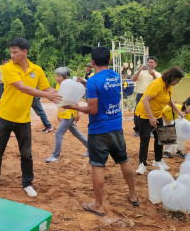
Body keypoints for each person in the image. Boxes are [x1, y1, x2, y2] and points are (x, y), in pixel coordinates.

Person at [0, 38, 61, 198]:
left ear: (25, 52)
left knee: (26, 153)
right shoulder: (8, 68)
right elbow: (22, 87)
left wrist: (62, 93)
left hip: (23, 119)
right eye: (11, 52)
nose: (12, 55)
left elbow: (47, 88)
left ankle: (27, 183)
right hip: (4, 116)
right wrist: (46, 95)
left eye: (15, 52)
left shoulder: (37, 70)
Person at [66, 46, 138, 216]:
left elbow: (92, 109)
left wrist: (72, 106)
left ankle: (98, 205)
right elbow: (104, 87)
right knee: (123, 160)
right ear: (110, 61)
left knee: (97, 166)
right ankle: (133, 196)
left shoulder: (93, 81)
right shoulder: (115, 75)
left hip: (99, 130)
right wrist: (86, 83)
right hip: (116, 127)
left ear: (92, 62)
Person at [135, 66, 185, 175]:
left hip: (156, 114)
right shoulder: (157, 84)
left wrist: (178, 111)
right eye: (177, 79)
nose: (178, 82)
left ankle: (157, 161)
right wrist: (151, 117)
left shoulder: (168, 87)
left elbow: (169, 101)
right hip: (144, 114)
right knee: (145, 138)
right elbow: (145, 100)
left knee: (161, 137)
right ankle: (142, 164)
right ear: (171, 77)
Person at [45, 67, 88, 163]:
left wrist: (78, 114)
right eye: (56, 75)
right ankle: (91, 148)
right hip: (64, 114)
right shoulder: (58, 85)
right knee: (76, 133)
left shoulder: (69, 86)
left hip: (69, 114)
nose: (56, 78)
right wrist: (58, 114)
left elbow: (75, 100)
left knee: (58, 133)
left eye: (59, 76)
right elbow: (59, 100)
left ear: (64, 77)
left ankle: (55, 156)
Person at [132, 56, 161, 137]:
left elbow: (159, 84)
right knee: (137, 113)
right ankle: (137, 130)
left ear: (155, 64)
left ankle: (150, 130)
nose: (150, 64)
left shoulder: (158, 74)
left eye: (152, 62)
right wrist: (140, 70)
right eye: (149, 62)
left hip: (152, 96)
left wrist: (153, 74)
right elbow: (133, 79)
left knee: (151, 113)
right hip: (141, 95)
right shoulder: (141, 72)